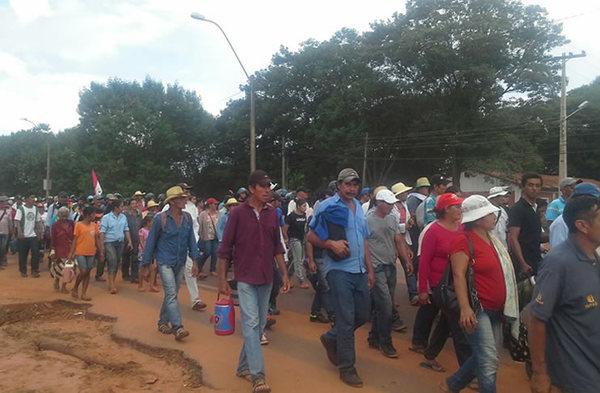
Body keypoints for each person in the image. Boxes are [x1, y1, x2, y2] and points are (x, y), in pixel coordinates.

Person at [217, 170, 291, 393]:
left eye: (270, 186)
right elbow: (225, 248)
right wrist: (222, 279)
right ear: (252, 189)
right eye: (263, 186)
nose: (268, 190)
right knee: (250, 325)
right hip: (245, 278)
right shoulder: (238, 214)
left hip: (266, 278)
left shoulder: (273, 213)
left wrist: (285, 274)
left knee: (257, 327)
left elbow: (277, 246)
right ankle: (258, 377)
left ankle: (242, 367)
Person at [441, 195, 519, 393]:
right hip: (479, 309)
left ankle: (452, 385)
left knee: (484, 355)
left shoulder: (492, 240)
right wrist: (465, 308)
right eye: (489, 214)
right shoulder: (463, 241)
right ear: (477, 219)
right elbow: (458, 276)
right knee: (488, 359)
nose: (494, 216)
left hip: (496, 307)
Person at [307, 168, 375, 388]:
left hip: (359, 271)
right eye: (348, 184)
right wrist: (330, 244)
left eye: (355, 185)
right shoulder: (328, 206)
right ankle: (347, 368)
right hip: (338, 271)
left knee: (363, 315)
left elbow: (364, 240)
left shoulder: (358, 209)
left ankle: (331, 337)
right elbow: (310, 235)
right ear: (339, 186)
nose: (352, 188)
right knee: (346, 319)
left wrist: (370, 270)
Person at [528, 195, 600, 393]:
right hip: (576, 376)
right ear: (582, 226)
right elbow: (536, 319)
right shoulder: (558, 264)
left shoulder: (593, 257)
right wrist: (540, 372)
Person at [411, 193, 471, 373]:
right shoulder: (433, 231)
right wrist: (423, 290)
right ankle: (467, 372)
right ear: (446, 210)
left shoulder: (462, 228)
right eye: (457, 207)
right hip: (440, 286)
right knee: (458, 326)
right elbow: (424, 262)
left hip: (458, 283)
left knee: (446, 322)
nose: (461, 210)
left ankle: (430, 356)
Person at [141, 185, 201, 341]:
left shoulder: (187, 218)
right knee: (172, 293)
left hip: (180, 261)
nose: (184, 200)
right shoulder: (160, 219)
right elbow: (151, 242)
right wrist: (146, 264)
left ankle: (162, 322)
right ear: (173, 201)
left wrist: (195, 261)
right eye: (181, 198)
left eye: (184, 198)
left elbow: (191, 242)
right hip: (165, 261)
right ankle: (178, 327)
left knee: (171, 294)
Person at [366, 189, 413, 358]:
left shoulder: (392, 218)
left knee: (383, 305)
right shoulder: (368, 220)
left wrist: (406, 260)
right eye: (389, 204)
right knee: (386, 306)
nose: (392, 206)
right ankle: (386, 342)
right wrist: (369, 269)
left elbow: (398, 239)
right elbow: (364, 245)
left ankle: (374, 337)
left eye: (393, 203)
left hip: (390, 266)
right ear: (379, 203)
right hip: (376, 267)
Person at [508, 173, 543, 275]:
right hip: (525, 261)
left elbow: (531, 235)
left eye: (537, 185)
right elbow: (513, 238)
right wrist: (522, 263)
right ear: (523, 187)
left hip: (536, 259)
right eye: (530, 185)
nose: (534, 188)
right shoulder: (518, 209)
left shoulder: (535, 208)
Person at [549, 183, 600, 248]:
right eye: (593, 199)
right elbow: (557, 251)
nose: (596, 203)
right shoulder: (561, 223)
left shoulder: (595, 220)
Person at [98, 199, 133, 294]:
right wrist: (101, 247)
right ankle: (112, 284)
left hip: (120, 242)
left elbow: (126, 229)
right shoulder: (106, 217)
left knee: (117, 262)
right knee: (112, 260)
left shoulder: (123, 217)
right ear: (116, 208)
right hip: (109, 241)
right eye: (121, 206)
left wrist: (129, 241)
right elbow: (102, 232)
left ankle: (112, 281)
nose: (123, 208)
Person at [69, 206, 97, 301]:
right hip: (80, 251)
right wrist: (71, 253)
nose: (95, 216)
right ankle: (76, 287)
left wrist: (101, 250)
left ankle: (84, 293)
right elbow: (75, 240)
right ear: (88, 215)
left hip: (91, 251)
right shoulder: (79, 225)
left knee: (88, 272)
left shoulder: (94, 225)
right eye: (93, 214)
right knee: (83, 271)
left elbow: (96, 239)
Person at [14, 194, 43, 277]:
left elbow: (38, 221)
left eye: (34, 197)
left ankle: (34, 270)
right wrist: (19, 232)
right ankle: (23, 271)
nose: (33, 199)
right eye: (31, 197)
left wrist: (40, 232)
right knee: (23, 254)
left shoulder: (35, 209)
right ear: (26, 199)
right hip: (24, 235)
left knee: (35, 253)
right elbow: (17, 221)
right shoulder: (21, 209)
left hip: (33, 235)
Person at [284, 198, 309, 289]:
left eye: (306, 206)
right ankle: (301, 280)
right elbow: (285, 228)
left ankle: (288, 277)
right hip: (294, 239)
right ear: (298, 206)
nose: (305, 208)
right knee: (298, 260)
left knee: (298, 259)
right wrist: (287, 239)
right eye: (303, 206)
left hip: (302, 239)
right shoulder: (291, 216)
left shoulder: (304, 215)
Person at [49, 207, 75, 293]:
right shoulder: (55, 225)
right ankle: (57, 280)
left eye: (66, 216)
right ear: (59, 215)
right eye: (62, 215)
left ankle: (64, 286)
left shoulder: (72, 223)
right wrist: (53, 250)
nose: (64, 217)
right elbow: (53, 238)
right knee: (59, 267)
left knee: (68, 269)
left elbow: (75, 236)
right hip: (59, 248)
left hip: (69, 248)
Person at [198, 197, 220, 277]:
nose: (216, 206)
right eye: (215, 204)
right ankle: (199, 266)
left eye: (216, 204)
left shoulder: (218, 214)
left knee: (215, 253)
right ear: (210, 205)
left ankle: (212, 269)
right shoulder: (203, 214)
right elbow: (200, 225)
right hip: (206, 236)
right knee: (207, 252)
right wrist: (200, 235)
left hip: (216, 236)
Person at [138, 214, 160, 292]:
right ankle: (140, 285)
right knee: (142, 268)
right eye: (152, 221)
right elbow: (141, 241)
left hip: (152, 251)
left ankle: (151, 285)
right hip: (143, 251)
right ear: (147, 223)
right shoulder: (142, 230)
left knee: (153, 268)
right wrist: (145, 250)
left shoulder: (152, 231)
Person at [123, 198, 142, 283]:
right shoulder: (126, 215)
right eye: (133, 203)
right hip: (127, 238)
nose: (135, 205)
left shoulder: (139, 214)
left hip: (137, 238)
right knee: (126, 256)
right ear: (129, 205)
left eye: (135, 203)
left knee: (135, 257)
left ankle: (135, 275)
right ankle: (125, 274)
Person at [0, 195, 14, 268]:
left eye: (2, 202)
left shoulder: (8, 212)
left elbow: (10, 222)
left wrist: (12, 232)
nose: (1, 204)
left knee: (3, 247)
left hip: (5, 232)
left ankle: (3, 260)